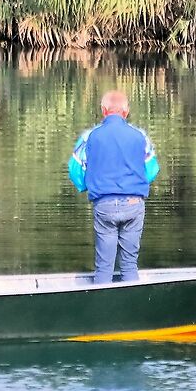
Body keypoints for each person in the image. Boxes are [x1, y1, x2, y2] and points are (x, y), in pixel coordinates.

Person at [69, 90, 159, 282]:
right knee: (129, 264)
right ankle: (132, 306)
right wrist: (133, 184)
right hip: (134, 203)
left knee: (103, 266)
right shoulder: (140, 136)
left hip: (104, 204)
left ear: (104, 110)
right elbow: (151, 170)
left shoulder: (89, 137)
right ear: (126, 112)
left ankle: (102, 308)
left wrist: (87, 185)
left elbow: (75, 169)